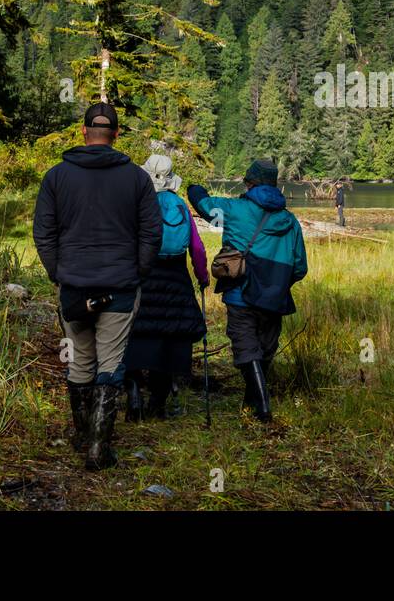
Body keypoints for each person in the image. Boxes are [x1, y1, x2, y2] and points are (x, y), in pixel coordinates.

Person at [32, 102, 162, 470]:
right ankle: (98, 448)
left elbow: (43, 233)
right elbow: (152, 233)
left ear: (84, 131)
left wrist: (58, 272)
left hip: (73, 285)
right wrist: (136, 271)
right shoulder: (137, 178)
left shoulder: (56, 177)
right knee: (111, 362)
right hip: (120, 286)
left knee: (79, 361)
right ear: (116, 134)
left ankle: (82, 436)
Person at [186, 159, 307, 423]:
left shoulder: (235, 208)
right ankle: (251, 403)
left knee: (246, 348)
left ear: (249, 183)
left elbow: (206, 207)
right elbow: (300, 267)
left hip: (241, 291)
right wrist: (277, 282)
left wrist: (194, 189)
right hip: (275, 297)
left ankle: (262, 409)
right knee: (264, 349)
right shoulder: (290, 220)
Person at [124, 154, 210, 422]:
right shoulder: (181, 206)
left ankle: (134, 393)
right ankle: (157, 404)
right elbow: (196, 247)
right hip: (175, 278)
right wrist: (202, 275)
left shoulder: (137, 203)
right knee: (169, 339)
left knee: (133, 335)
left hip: (144, 275)